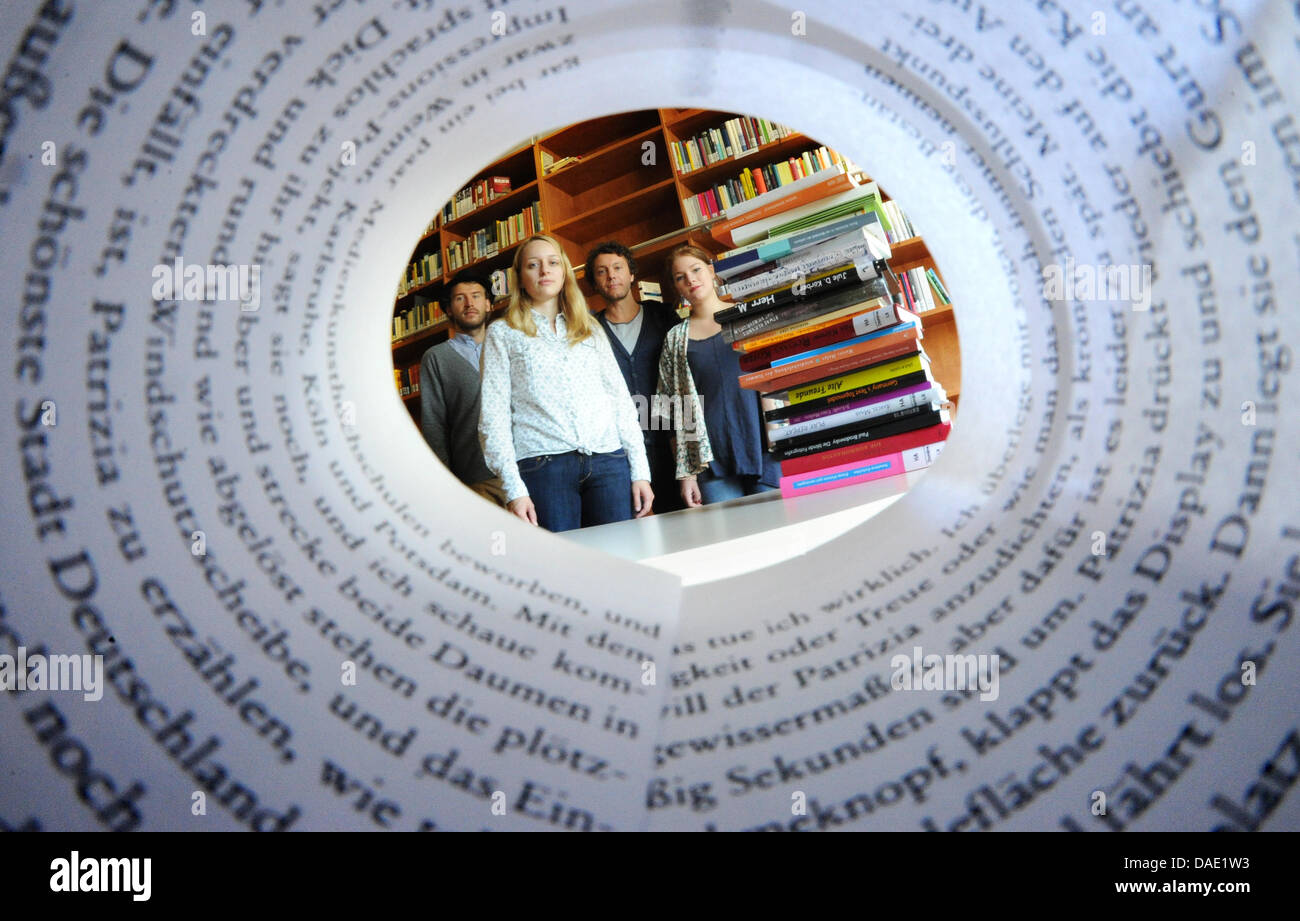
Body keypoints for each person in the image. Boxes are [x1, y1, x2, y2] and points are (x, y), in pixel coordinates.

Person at [479, 234, 654, 532]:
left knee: (621, 558)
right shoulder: (502, 333)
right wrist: (514, 489)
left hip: (608, 462)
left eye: (552, 263)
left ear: (564, 273)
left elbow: (620, 402)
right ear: (520, 278)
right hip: (543, 467)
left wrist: (640, 471)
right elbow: (492, 418)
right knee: (563, 564)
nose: (544, 271)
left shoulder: (590, 329)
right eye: (533, 265)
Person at [655, 243, 781, 507]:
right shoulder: (675, 339)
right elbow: (670, 411)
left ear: (711, 271)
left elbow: (782, 376)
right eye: (680, 277)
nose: (690, 279)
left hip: (764, 448)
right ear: (676, 287)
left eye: (696, 269)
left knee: (780, 532)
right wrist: (686, 475)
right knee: (731, 542)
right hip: (710, 462)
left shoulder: (750, 316)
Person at [585, 241, 681, 513]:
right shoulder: (590, 330)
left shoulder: (662, 315)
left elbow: (683, 375)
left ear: (631, 274)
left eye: (617, 268)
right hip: (622, 449)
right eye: (602, 272)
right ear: (595, 282)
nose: (611, 275)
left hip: (670, 440)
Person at [418, 270, 506, 506]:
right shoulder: (436, 358)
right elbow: (434, 425)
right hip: (475, 478)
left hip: (527, 468)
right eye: (460, 298)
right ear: (448, 309)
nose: (470, 303)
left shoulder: (509, 346)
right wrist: (446, 484)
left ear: (488, 304)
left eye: (477, 296)